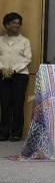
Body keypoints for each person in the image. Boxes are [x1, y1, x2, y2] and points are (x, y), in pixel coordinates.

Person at [0, 12, 32, 141]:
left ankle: (17, 133)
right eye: (14, 23)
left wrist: (12, 69)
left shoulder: (25, 41)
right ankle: (3, 133)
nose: (16, 25)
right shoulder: (0, 40)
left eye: (18, 23)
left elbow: (27, 58)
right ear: (7, 24)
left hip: (20, 75)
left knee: (18, 104)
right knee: (5, 104)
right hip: (2, 75)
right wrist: (3, 68)